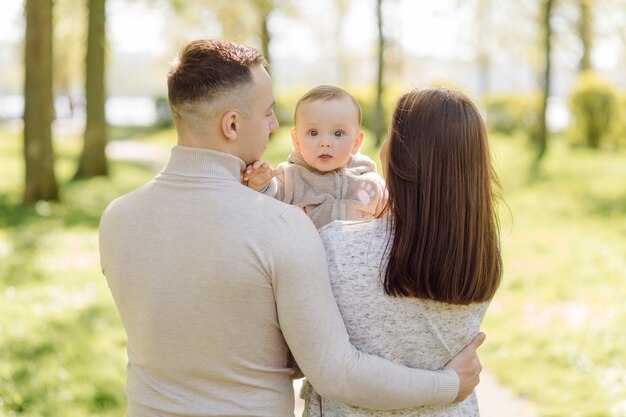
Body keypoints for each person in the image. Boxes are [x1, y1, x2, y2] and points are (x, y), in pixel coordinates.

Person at [99, 40, 485, 417]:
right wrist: (448, 385)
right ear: (232, 124)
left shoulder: (116, 218)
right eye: (267, 112)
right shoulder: (281, 225)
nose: (273, 125)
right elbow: (333, 369)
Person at [302, 87, 503, 417]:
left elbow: (316, 364)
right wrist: (448, 383)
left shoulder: (337, 246)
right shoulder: (482, 249)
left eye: (391, 135)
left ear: (400, 154)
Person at [243, 85, 385, 229]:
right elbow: (267, 207)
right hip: (312, 250)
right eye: (313, 133)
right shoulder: (290, 179)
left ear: (356, 142)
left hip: (360, 249)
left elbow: (392, 217)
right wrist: (260, 186)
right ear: (297, 140)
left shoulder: (368, 179)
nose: (325, 143)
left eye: (338, 133)